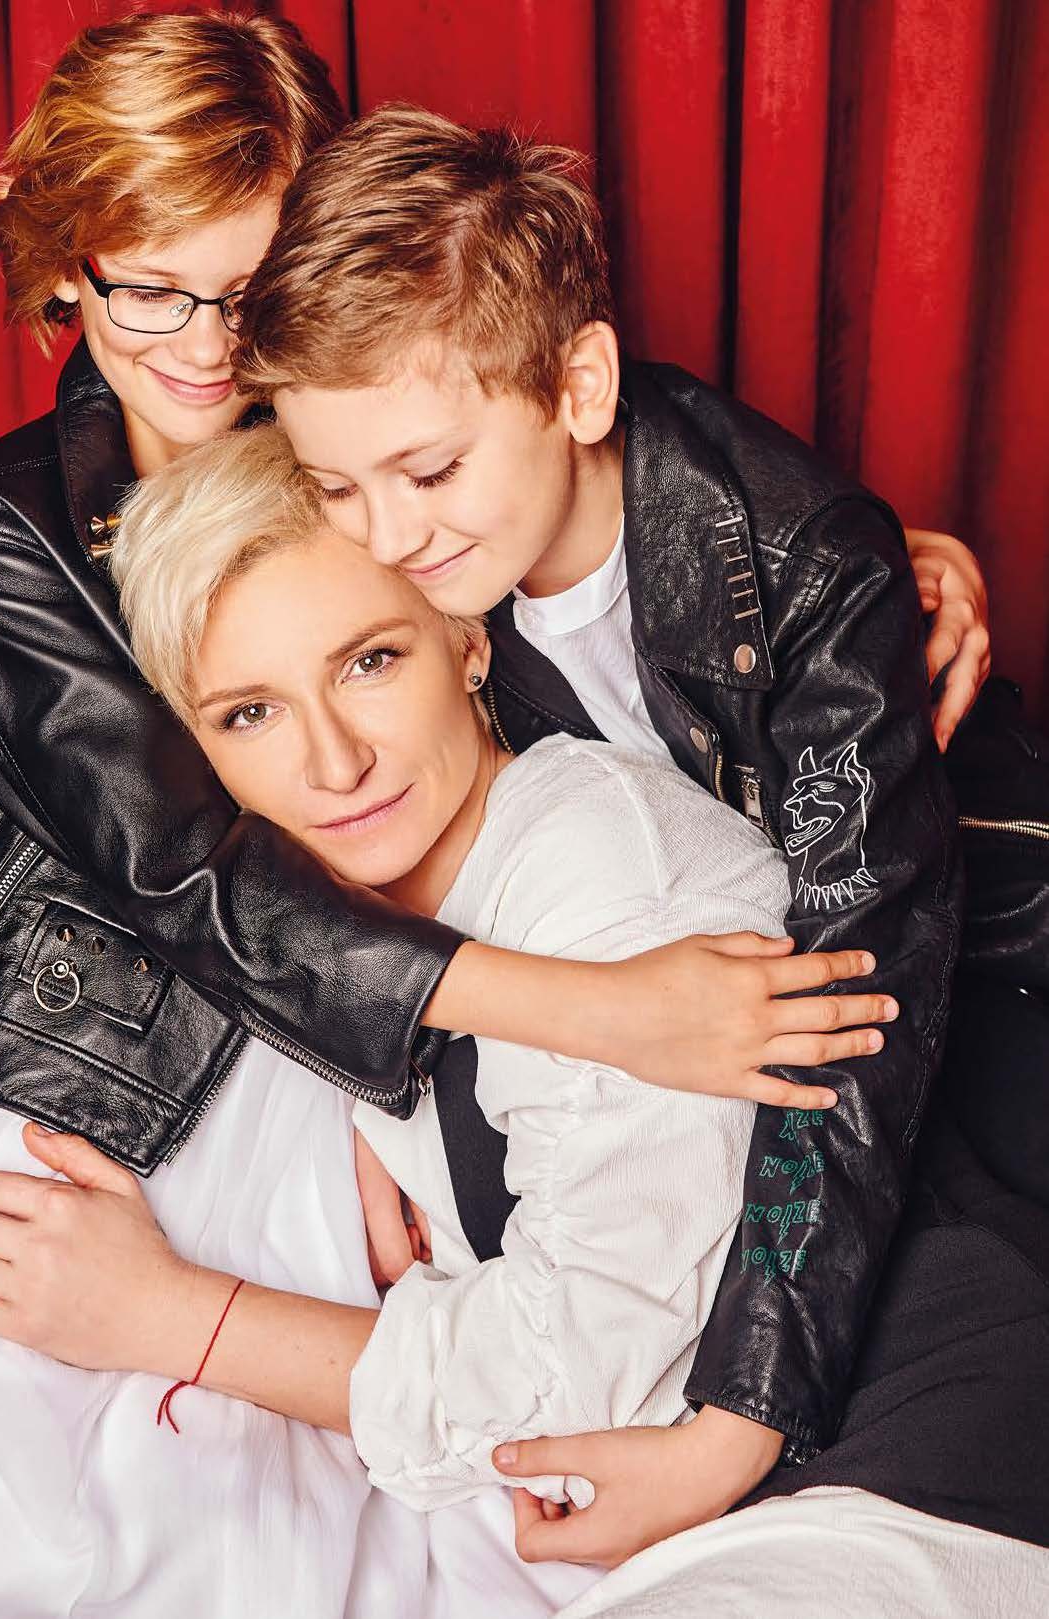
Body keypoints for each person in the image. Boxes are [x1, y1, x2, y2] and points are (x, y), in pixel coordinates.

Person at [0, 7, 984, 1559]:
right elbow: (197, 877)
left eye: (245, 289)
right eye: (148, 288)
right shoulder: (18, 525)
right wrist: (578, 1017)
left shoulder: (368, 436)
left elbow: (553, 438)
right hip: (122, 1032)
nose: (201, 344)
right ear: (66, 271)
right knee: (62, 1488)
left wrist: (845, 558)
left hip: (440, 999)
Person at [0, 428, 1049, 1619]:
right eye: (250, 713)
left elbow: (585, 1374)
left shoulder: (602, 866)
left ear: (466, 639)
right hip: (706, 1519)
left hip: (915, 1478)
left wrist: (167, 1314)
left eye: (370, 661)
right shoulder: (339, 933)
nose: (334, 760)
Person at [228, 102, 972, 1526]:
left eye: (427, 471)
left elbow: (857, 1021)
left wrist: (734, 1424)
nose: (384, 535)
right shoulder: (448, 560)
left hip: (921, 1026)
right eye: (333, 484)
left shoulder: (805, 569)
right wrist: (362, 1100)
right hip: (647, 1075)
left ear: (579, 386)